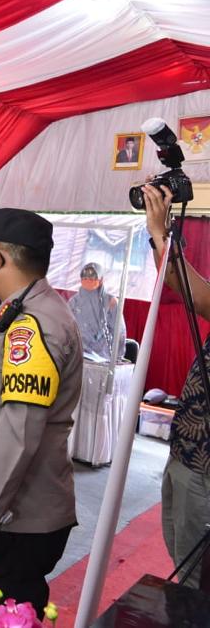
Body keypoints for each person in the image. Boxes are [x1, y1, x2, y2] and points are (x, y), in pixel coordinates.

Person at [0, 208, 83, 626]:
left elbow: (18, 431)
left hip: (12, 521)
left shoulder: (32, 326)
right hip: (4, 515)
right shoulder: (18, 310)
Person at [142, 182, 210, 589]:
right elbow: (183, 284)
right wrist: (160, 234)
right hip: (188, 452)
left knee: (197, 582)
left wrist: (162, 234)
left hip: (204, 466)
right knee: (184, 562)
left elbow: (195, 295)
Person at [67, 262, 126, 362]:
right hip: (77, 355)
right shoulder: (74, 302)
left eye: (92, 278)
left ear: (101, 279)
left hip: (102, 357)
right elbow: (66, 328)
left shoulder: (111, 302)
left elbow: (119, 333)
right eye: (85, 277)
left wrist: (117, 358)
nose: (88, 280)